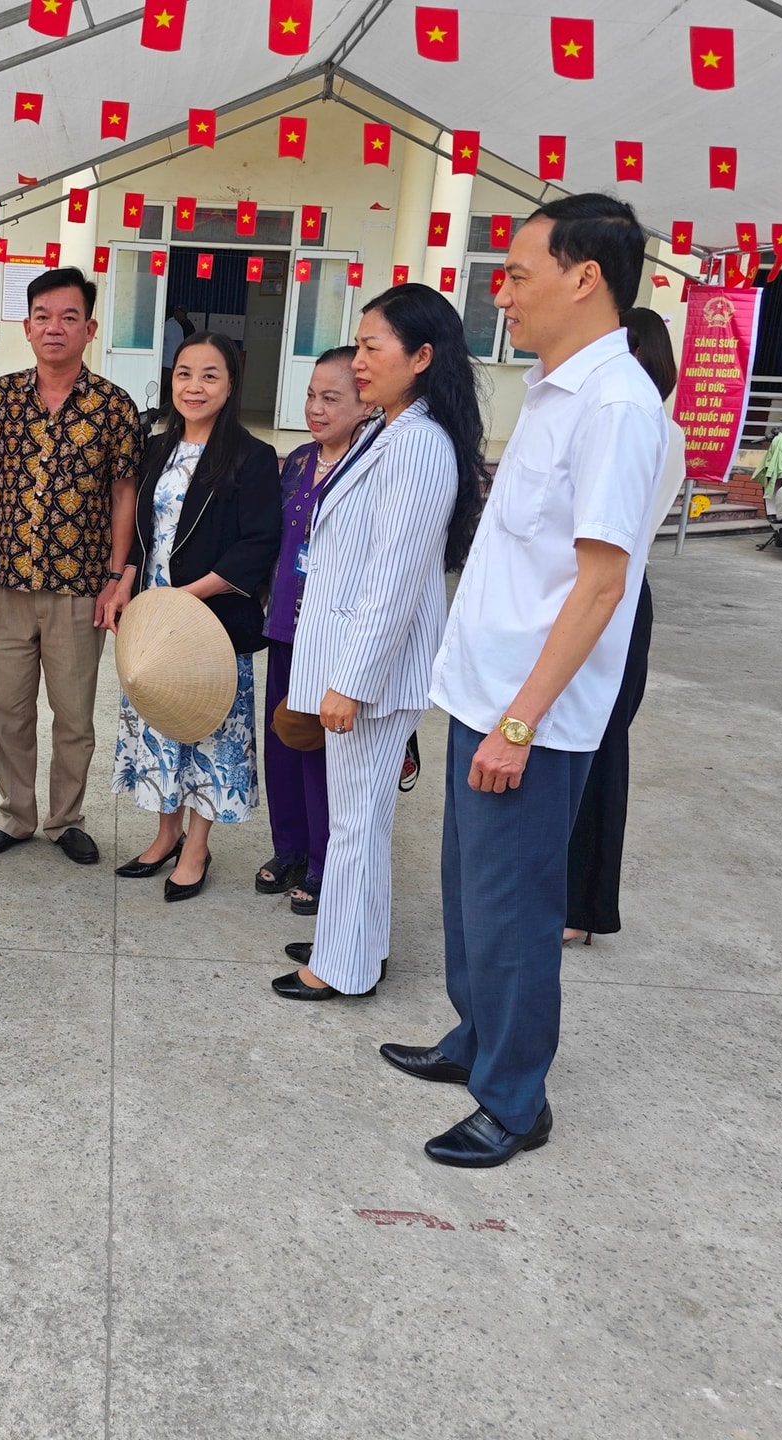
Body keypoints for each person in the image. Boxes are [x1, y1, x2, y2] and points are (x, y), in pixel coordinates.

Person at [379, 194, 666, 1167]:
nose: (499, 294)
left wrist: (520, 722)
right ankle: (476, 1037)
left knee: (514, 912)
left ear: (585, 278)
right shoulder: (554, 390)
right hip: (486, 689)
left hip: (528, 715)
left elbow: (600, 585)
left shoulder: (617, 406)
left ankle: (514, 1100)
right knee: (471, 895)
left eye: (514, 274)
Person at [272, 285, 485, 1001]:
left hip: (371, 674)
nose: (358, 361)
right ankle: (354, 942)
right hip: (352, 661)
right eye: (359, 345)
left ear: (421, 357)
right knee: (356, 818)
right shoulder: (386, 431)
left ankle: (342, 967)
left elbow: (394, 579)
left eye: (372, 347)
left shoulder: (418, 446)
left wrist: (351, 682)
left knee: (358, 822)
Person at [0, 268, 143, 866]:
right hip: (6, 585)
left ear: (89, 329)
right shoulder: (0, 397)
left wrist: (115, 577)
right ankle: (16, 815)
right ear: (26, 327)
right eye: (42, 316)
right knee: (7, 710)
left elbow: (124, 494)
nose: (54, 328)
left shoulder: (114, 406)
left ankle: (65, 818)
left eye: (69, 317)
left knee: (73, 717)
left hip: (79, 590)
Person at [105, 331, 281, 901]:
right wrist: (126, 582)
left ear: (230, 386)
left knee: (207, 728)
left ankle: (197, 847)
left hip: (210, 619)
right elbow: (142, 530)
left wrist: (191, 596)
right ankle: (165, 835)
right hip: (155, 616)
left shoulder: (252, 458)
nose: (194, 386)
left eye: (210, 375)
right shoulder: (157, 448)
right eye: (184, 373)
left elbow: (259, 542)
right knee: (161, 721)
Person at [564, 307, 686, 943]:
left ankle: (580, 908)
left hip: (609, 594)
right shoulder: (608, 418)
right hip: (592, 591)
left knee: (599, 747)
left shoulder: (640, 425)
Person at [254, 346, 374, 915]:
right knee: (282, 738)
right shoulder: (300, 460)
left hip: (334, 633)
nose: (316, 409)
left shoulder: (371, 463)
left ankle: (326, 863)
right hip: (285, 625)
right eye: (310, 396)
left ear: (364, 404)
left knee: (323, 751)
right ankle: (291, 849)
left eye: (331, 398)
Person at [159, 303, 191, 412]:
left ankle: (161, 411)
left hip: (166, 363)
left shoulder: (166, 326)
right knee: (170, 391)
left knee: (161, 390)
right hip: (175, 363)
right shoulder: (178, 326)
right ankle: (169, 412)